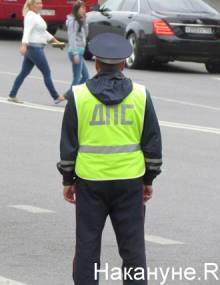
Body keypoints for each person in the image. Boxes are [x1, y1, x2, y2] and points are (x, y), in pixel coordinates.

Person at [57, 33, 162, 285]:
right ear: (124, 64)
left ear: (96, 64)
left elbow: (68, 144)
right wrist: (149, 179)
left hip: (90, 182)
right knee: (133, 248)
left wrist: (67, 180)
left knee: (87, 247)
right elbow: (153, 143)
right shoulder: (140, 95)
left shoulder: (78, 95)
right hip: (130, 181)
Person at [8, 0, 66, 104]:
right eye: (38, 3)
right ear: (31, 5)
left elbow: (43, 32)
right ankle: (56, 97)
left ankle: (12, 95)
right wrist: (24, 45)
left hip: (33, 48)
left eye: (41, 3)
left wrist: (56, 42)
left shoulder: (36, 15)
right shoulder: (30, 16)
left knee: (23, 73)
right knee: (46, 72)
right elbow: (27, 31)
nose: (41, 5)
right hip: (34, 48)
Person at [66, 0, 89, 87]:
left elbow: (86, 34)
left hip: (80, 52)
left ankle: (71, 95)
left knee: (86, 77)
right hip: (75, 52)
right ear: (76, 9)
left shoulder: (80, 21)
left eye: (84, 8)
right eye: (81, 8)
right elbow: (71, 38)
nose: (84, 10)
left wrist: (85, 22)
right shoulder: (73, 22)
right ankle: (70, 97)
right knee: (77, 77)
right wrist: (75, 54)